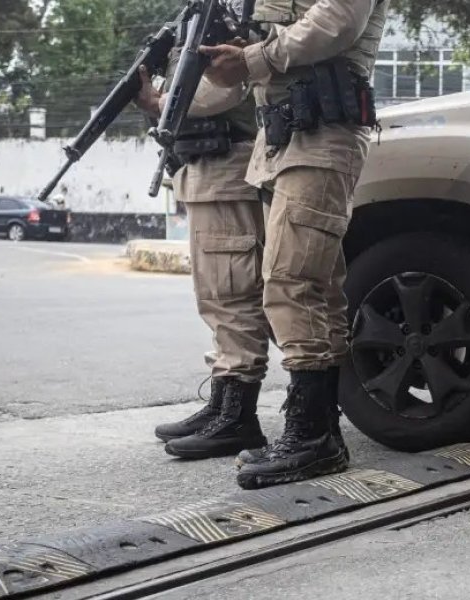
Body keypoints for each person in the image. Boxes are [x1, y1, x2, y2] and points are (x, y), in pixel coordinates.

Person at [199, 0, 389, 489]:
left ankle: (312, 437)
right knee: (317, 287)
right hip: (285, 134)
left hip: (324, 132)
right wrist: (244, 60)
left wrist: (252, 59)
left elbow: (336, 23)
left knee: (291, 280)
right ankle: (316, 432)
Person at [135, 55, 274, 461]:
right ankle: (222, 407)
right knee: (214, 296)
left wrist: (160, 102)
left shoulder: (229, 13)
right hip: (204, 170)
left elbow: (223, 87)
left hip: (228, 166)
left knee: (234, 293)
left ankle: (238, 418)